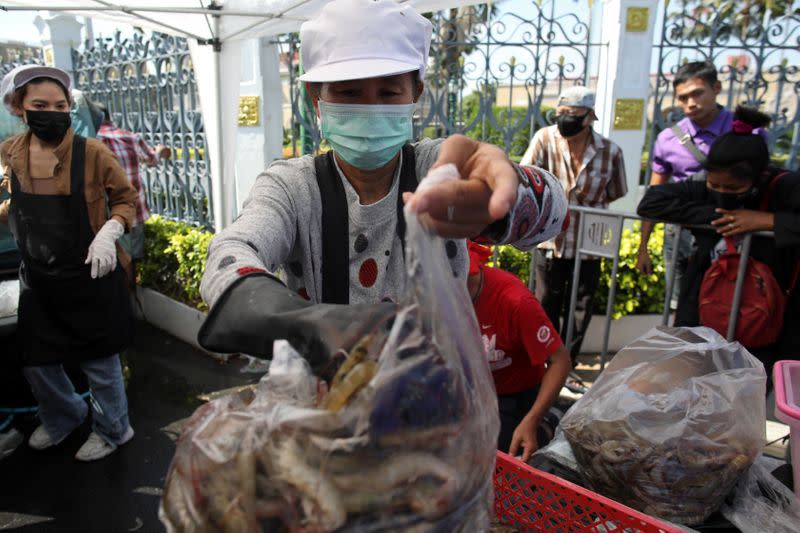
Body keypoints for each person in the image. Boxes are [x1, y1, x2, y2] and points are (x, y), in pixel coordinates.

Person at [197, 0, 568, 368]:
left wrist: (503, 199)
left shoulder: (438, 170)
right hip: (325, 410)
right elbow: (231, 254)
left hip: (436, 406)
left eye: (389, 93)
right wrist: (306, 324)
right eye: (348, 92)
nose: (369, 109)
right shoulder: (292, 187)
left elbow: (553, 212)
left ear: (415, 95)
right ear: (317, 98)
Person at [0, 65, 138, 461]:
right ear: (18, 108)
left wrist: (110, 231)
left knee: (100, 362)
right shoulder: (11, 151)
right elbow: (16, 202)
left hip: (89, 275)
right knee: (36, 360)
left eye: (60, 105)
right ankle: (64, 417)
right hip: (40, 279)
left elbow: (125, 200)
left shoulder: (92, 153)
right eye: (40, 105)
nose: (53, 112)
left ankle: (115, 429)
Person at [637, 106, 800, 386]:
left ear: (759, 178)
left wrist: (768, 221)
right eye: (716, 187)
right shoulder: (705, 188)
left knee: (744, 391)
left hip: (766, 314)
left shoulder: (786, 188)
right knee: (690, 384)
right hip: (704, 304)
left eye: (733, 190)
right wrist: (719, 217)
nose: (722, 194)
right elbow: (651, 202)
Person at [636, 61, 767, 310]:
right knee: (680, 305)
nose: (690, 103)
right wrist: (643, 246)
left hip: (733, 233)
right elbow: (655, 193)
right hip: (682, 235)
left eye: (697, 93)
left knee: (728, 305)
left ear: (716, 87)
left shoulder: (745, 131)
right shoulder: (668, 139)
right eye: (682, 98)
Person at [520, 86, 627, 364]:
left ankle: (569, 360)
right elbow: (526, 174)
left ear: (589, 116)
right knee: (546, 301)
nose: (566, 118)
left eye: (573, 114)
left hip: (589, 240)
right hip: (550, 237)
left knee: (581, 305)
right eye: (561, 113)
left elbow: (616, 190)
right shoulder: (544, 139)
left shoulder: (610, 151)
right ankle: (546, 361)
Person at [467, 242, 571, 462]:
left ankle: (546, 423)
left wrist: (532, 420)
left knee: (494, 453)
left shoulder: (516, 302)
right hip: (470, 390)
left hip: (514, 395)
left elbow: (560, 361)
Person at [96, 104, 171, 265]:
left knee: (111, 261)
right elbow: (151, 159)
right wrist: (160, 151)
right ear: (109, 117)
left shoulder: (89, 142)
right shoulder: (130, 137)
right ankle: (132, 286)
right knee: (133, 260)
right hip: (134, 211)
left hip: (106, 216)